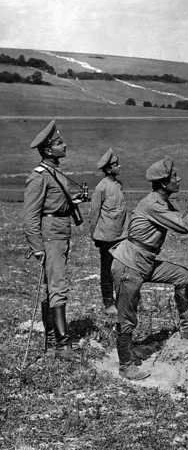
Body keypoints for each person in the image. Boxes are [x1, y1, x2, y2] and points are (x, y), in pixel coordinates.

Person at [110, 157, 188, 381]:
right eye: (174, 177)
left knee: (182, 276)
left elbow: (179, 218)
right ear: (164, 183)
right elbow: (185, 226)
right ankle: (126, 366)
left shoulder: (161, 200)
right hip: (130, 265)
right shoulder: (153, 204)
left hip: (144, 261)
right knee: (127, 318)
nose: (178, 179)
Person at [23, 120, 82, 360]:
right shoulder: (40, 176)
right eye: (59, 143)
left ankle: (50, 337)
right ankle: (62, 345)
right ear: (48, 150)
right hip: (50, 237)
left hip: (59, 233)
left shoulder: (55, 172)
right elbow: (29, 216)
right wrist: (37, 248)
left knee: (50, 288)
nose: (64, 145)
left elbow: (56, 203)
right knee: (58, 287)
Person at [89, 148, 129, 315]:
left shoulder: (118, 185)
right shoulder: (101, 188)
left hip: (121, 235)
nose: (119, 166)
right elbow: (94, 213)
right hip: (106, 236)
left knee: (121, 269)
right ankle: (108, 303)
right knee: (107, 270)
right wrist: (94, 234)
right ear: (107, 169)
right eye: (115, 164)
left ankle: (122, 300)